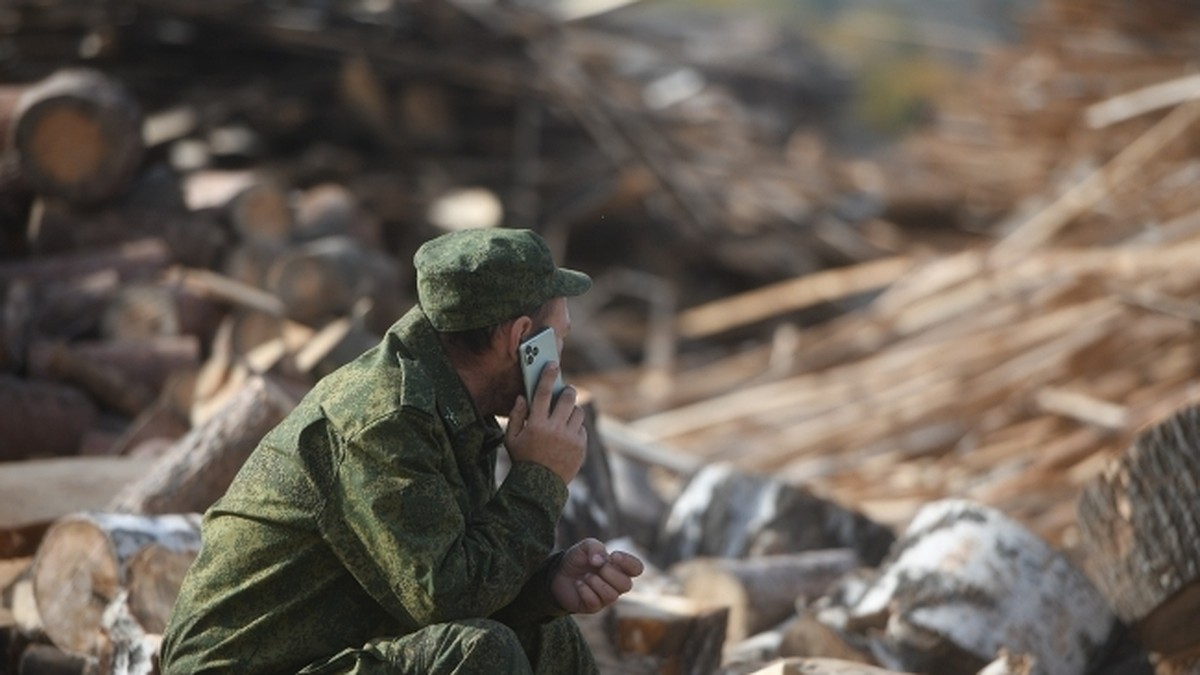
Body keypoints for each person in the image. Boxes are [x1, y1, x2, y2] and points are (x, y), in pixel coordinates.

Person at [160, 228, 645, 674]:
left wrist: (546, 586)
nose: (559, 360)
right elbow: (444, 599)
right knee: (477, 654)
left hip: (323, 656)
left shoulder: (449, 400)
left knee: (548, 635)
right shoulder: (384, 421)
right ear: (520, 338)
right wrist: (539, 478)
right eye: (556, 338)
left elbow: (450, 575)